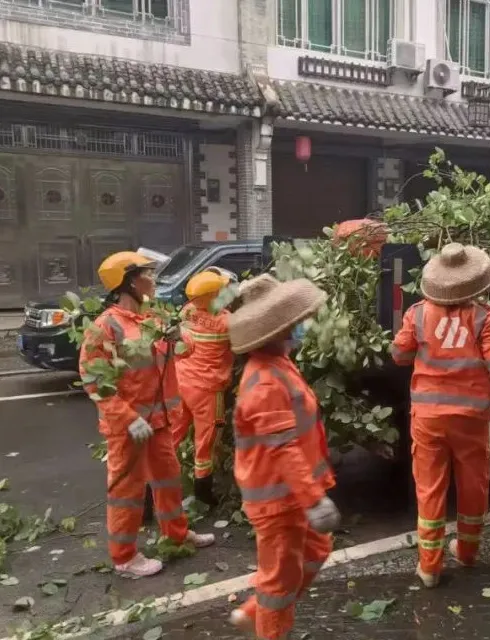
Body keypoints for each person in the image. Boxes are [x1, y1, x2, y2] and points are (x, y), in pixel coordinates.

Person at [391, 243, 490, 588]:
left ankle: (429, 568)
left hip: (428, 417)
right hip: (471, 417)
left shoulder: (417, 313)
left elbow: (398, 355)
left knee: (430, 489)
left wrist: (417, 347)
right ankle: (466, 553)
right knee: (472, 484)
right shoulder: (484, 316)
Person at [79, 252, 216, 578]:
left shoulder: (152, 317)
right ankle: (125, 558)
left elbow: (184, 353)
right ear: (128, 282)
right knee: (127, 492)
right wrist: (127, 418)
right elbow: (93, 379)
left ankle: (177, 535)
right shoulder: (106, 326)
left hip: (159, 421)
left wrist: (177, 338)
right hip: (128, 427)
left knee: (168, 479)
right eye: (148, 275)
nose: (153, 281)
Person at [227, 274, 341, 640]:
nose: (300, 327)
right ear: (278, 330)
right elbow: (283, 448)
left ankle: (253, 613)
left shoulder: (279, 364)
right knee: (279, 582)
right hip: (279, 500)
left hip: (294, 494)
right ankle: (268, 627)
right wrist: (314, 501)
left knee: (317, 550)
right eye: (294, 323)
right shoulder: (264, 383)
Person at [174, 269, 234, 506]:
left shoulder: (186, 311)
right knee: (207, 442)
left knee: (173, 435)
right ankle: (204, 494)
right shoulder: (225, 322)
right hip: (208, 390)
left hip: (181, 383)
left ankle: (153, 484)